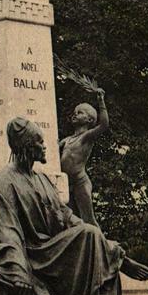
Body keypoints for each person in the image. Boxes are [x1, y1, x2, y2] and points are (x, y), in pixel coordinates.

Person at [0, 117, 148, 295]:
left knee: (89, 233)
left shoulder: (42, 179)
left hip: (49, 248)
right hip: (32, 253)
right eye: (39, 142)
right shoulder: (3, 182)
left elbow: (66, 218)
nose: (45, 146)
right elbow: (8, 231)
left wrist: (119, 256)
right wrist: (19, 271)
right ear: (27, 147)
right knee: (88, 236)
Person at [59, 88, 109, 225]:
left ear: (89, 119)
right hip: (66, 183)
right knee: (69, 219)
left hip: (80, 182)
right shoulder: (66, 140)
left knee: (88, 218)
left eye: (79, 113)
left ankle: (101, 244)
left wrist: (101, 101)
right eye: (74, 112)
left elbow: (104, 125)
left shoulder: (86, 137)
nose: (74, 115)